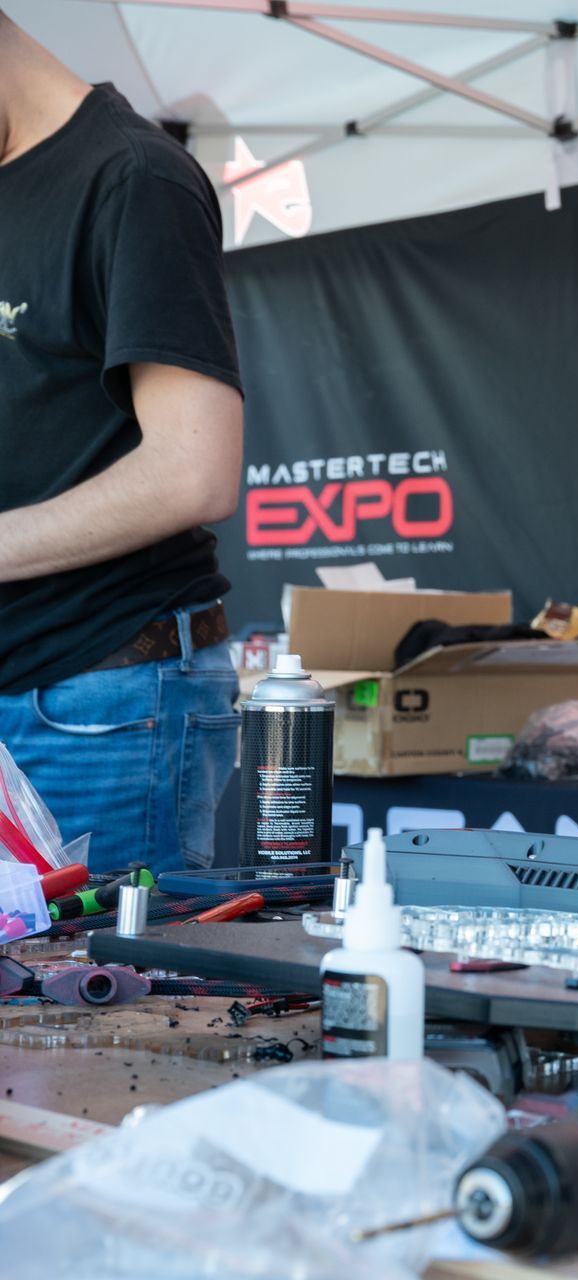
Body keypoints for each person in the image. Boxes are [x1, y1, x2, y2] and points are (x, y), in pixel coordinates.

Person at [0, 11, 245, 874]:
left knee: (119, 1006)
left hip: (102, 699)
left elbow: (195, 471)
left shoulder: (134, 180)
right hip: (28, 689)